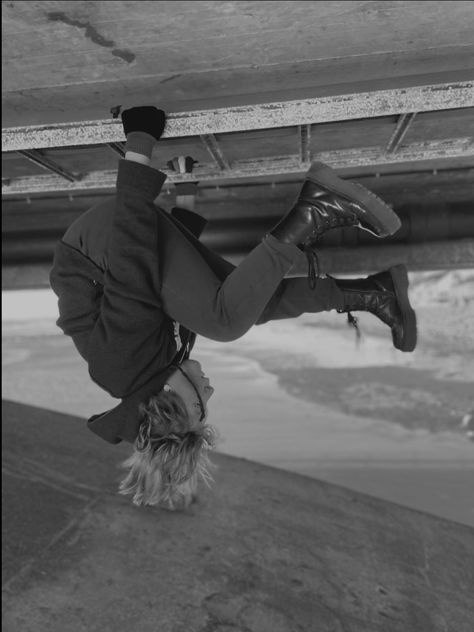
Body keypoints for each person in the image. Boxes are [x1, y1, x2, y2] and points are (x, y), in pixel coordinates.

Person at [49, 106, 417, 511]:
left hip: (98, 246)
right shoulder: (156, 368)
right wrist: (185, 205)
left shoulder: (122, 362)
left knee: (224, 322)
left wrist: (139, 141)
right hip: (121, 247)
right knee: (247, 305)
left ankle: (316, 208)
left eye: (199, 406)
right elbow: (173, 295)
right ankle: (370, 294)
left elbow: (131, 262)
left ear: (171, 402)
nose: (209, 391)